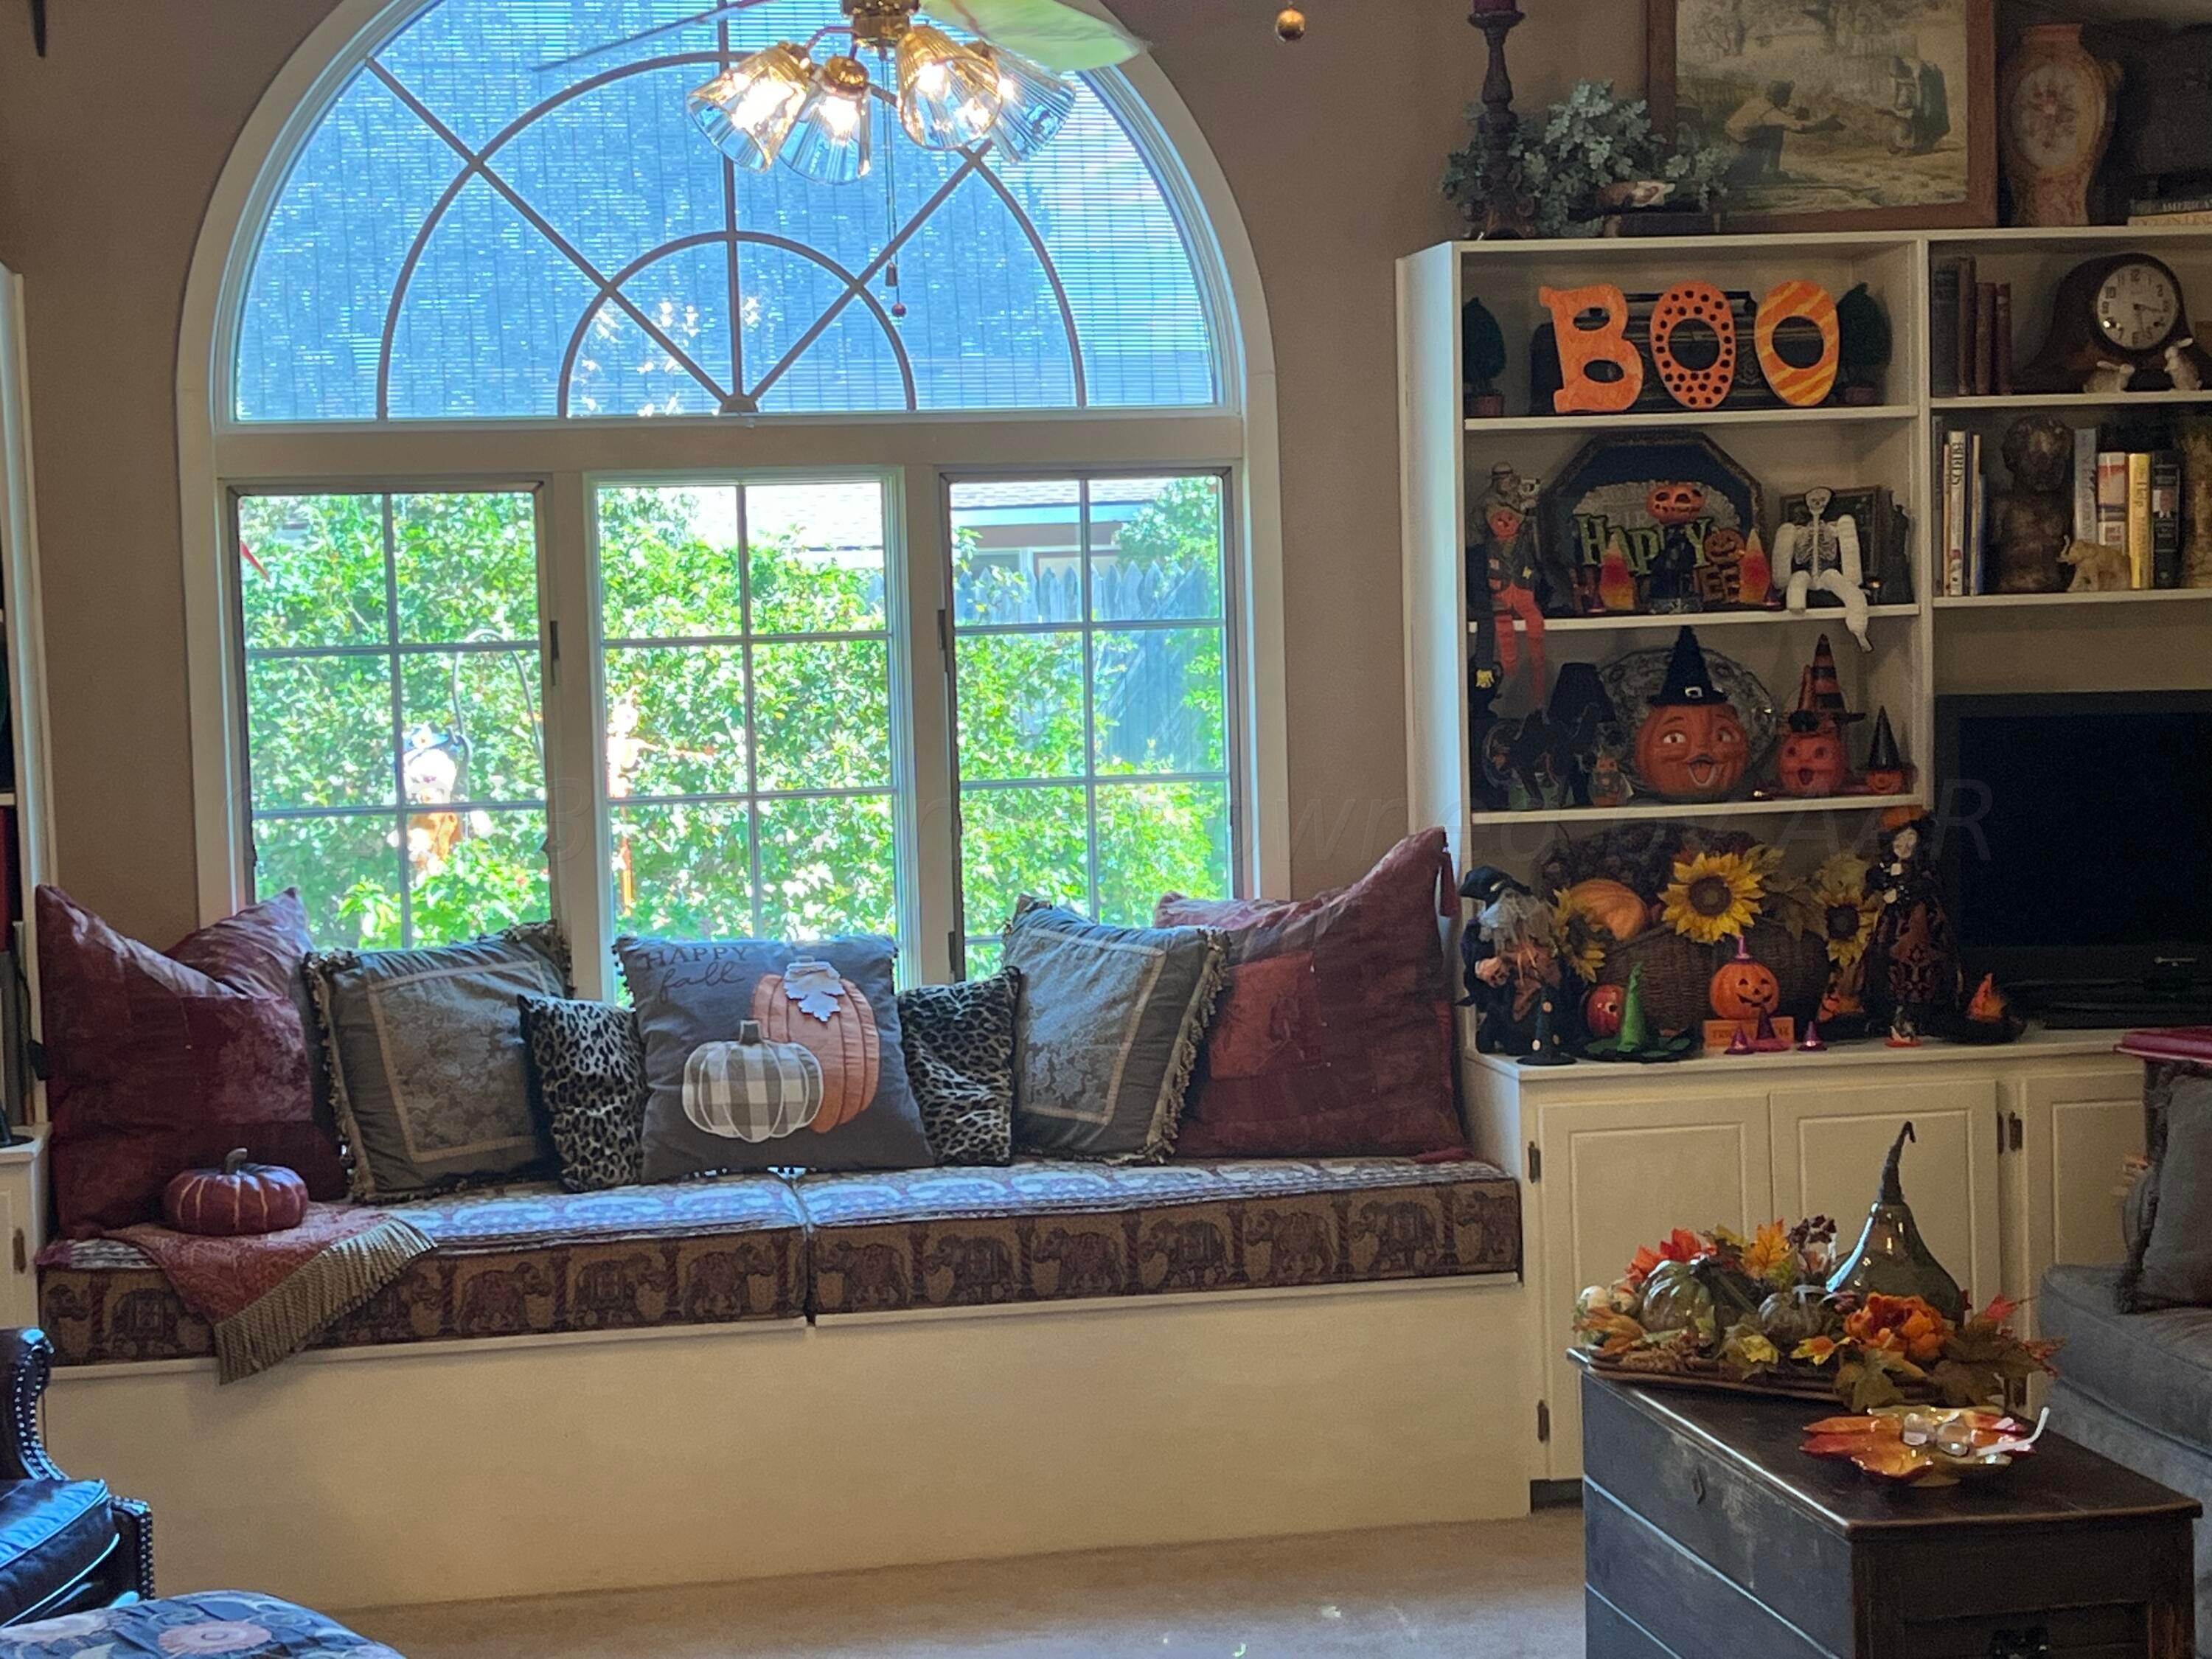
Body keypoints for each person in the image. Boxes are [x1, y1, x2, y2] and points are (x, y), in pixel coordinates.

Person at [1723, 80, 1816, 184]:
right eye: (1787, 96)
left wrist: (1795, 114)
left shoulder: (1758, 102)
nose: (1789, 99)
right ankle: (1770, 172)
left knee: (1771, 128)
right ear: (1780, 96)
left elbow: (1779, 114)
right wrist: (1825, 125)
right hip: (1742, 155)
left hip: (1734, 150)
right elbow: (1799, 128)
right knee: (1776, 129)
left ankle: (1764, 172)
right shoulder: (1769, 112)